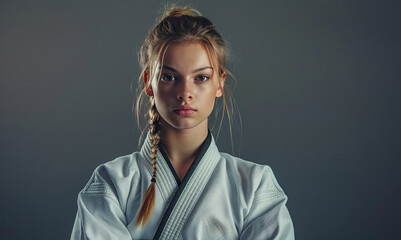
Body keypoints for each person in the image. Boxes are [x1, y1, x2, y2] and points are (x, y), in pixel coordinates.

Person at [71, 6, 294, 240]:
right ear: (149, 82)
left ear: (220, 83)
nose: (185, 92)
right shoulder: (111, 184)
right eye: (169, 77)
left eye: (201, 78)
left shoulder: (255, 187)